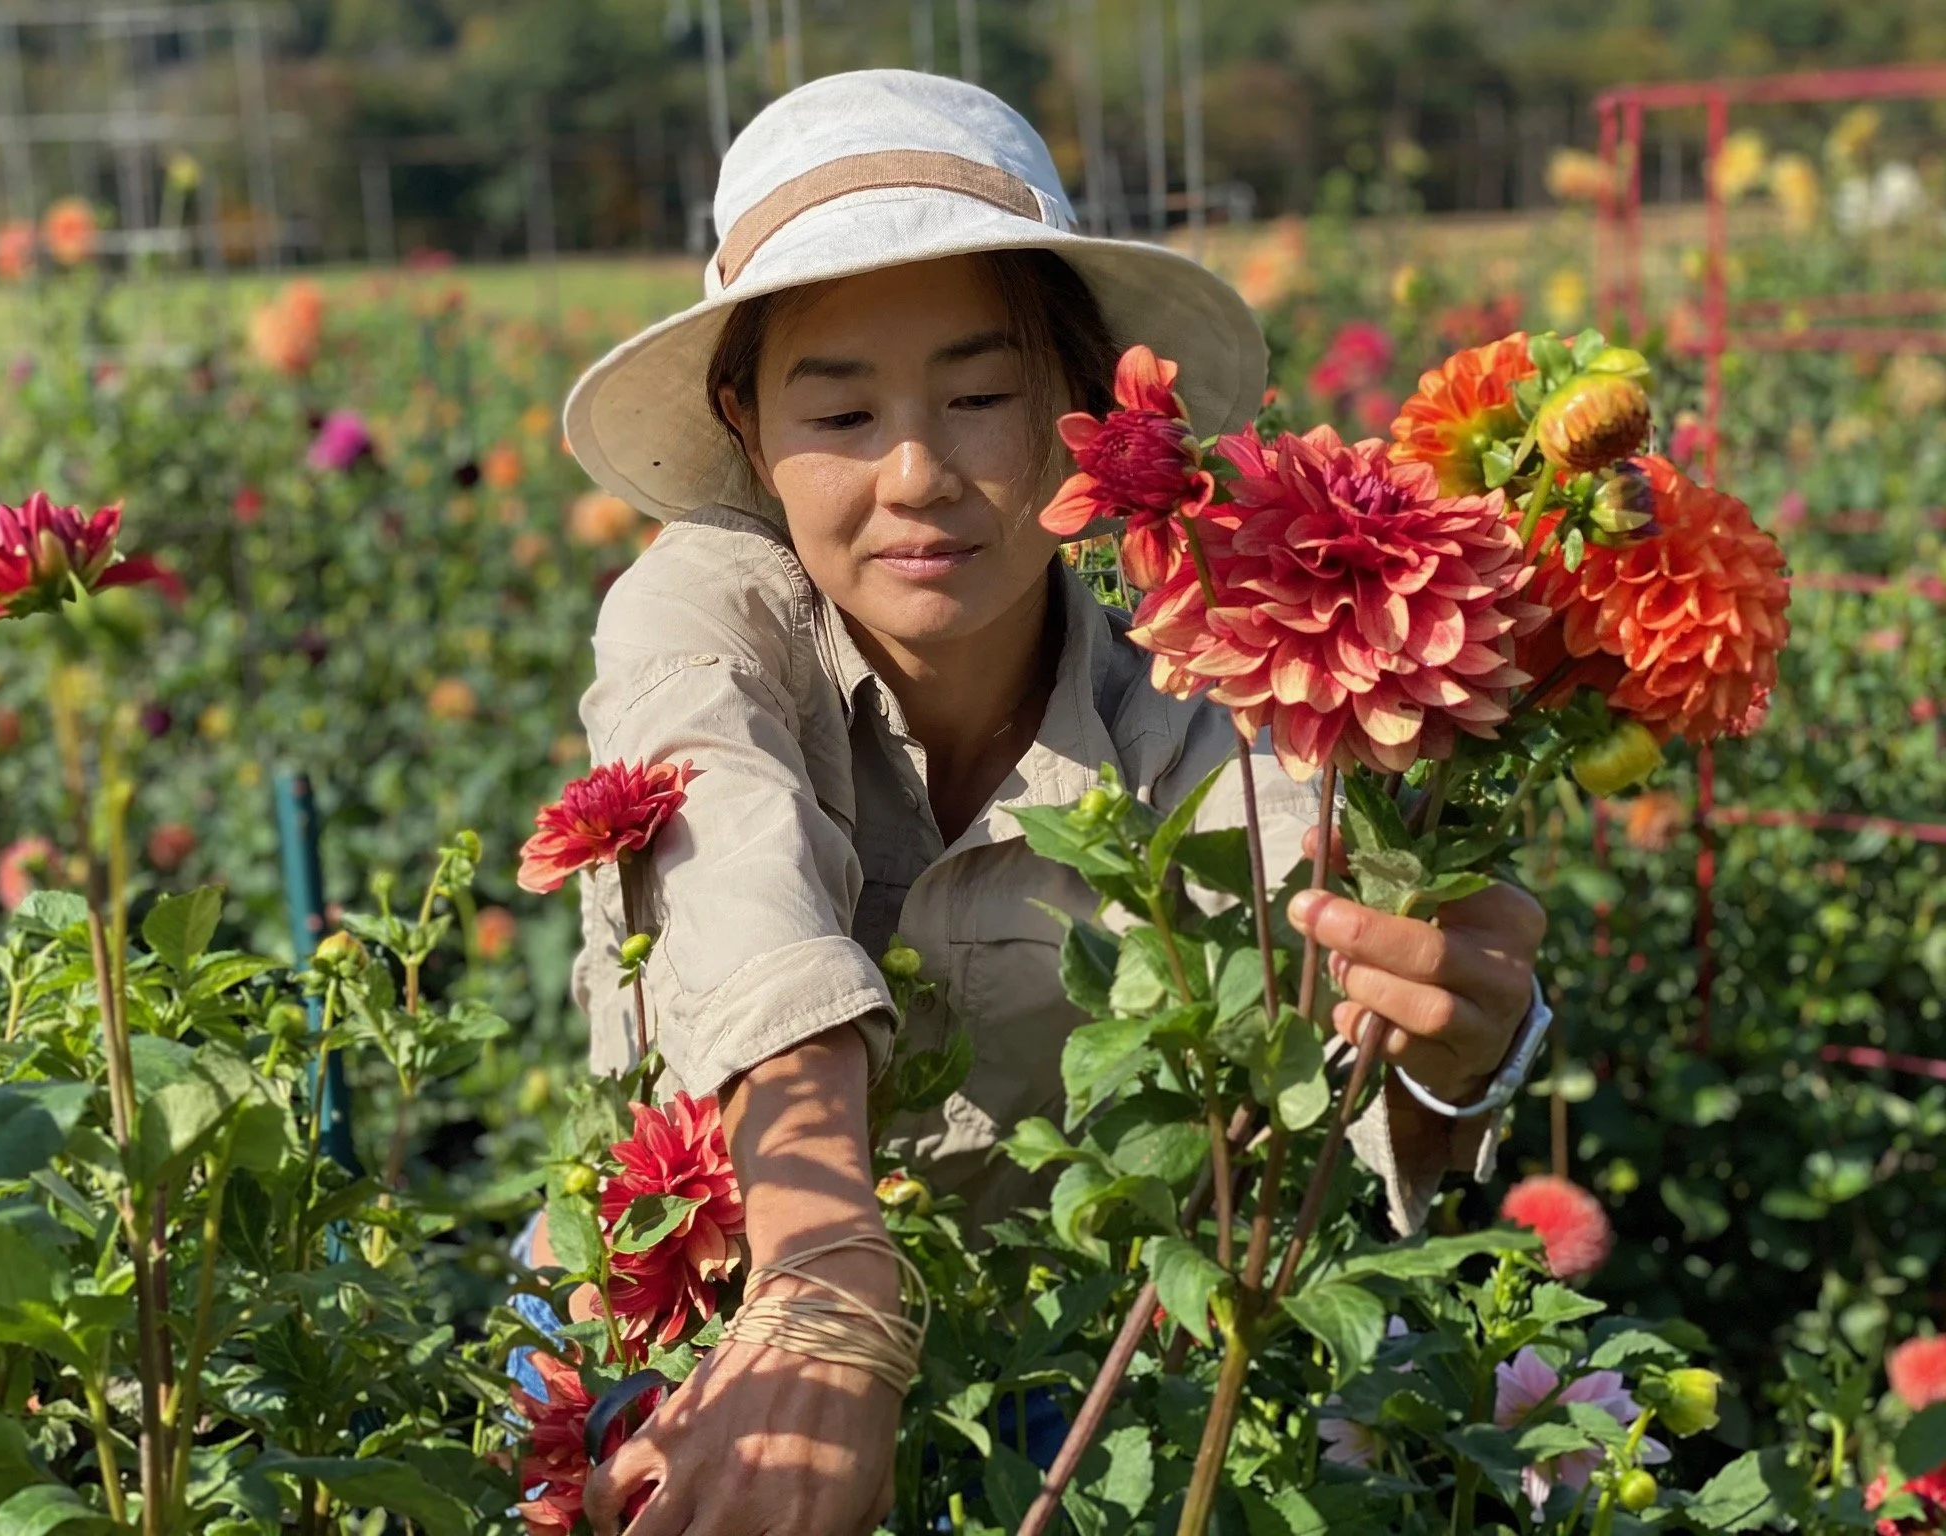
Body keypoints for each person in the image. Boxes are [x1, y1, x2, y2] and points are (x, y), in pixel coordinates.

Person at [535, 70, 1548, 1536]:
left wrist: (1459, 1038)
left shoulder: (1198, 671)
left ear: (1080, 404)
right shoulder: (702, 613)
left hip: (1078, 1350)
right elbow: (728, 854)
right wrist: (822, 1275)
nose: (915, 472)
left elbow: (1321, 982)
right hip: (711, 1296)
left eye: (979, 393)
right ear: (746, 430)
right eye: (838, 405)